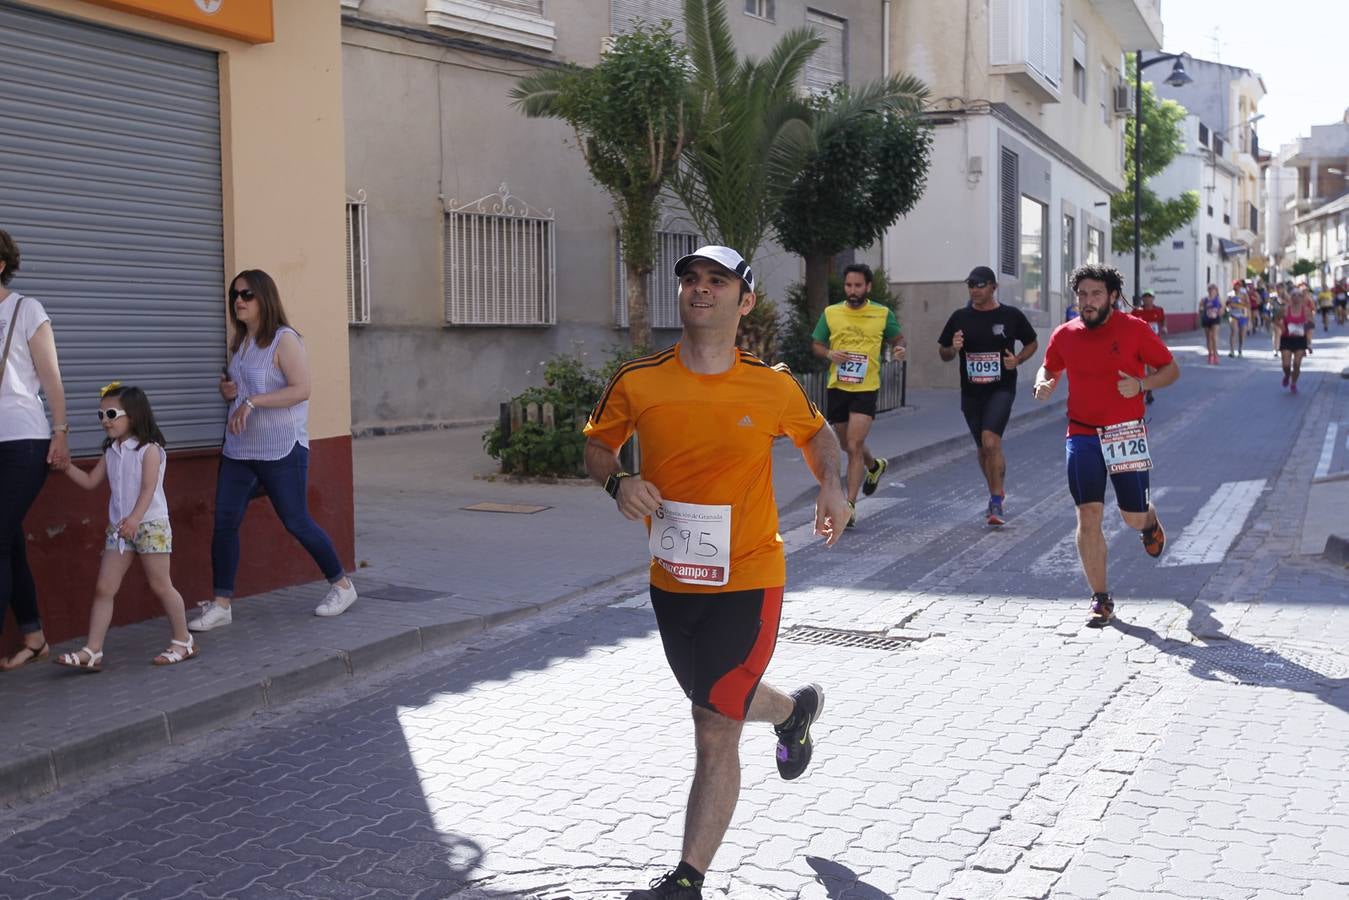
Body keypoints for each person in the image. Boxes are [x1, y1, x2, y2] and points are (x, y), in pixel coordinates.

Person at [584, 245, 849, 900]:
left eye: (716, 280)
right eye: (691, 280)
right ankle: (790, 712)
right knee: (712, 700)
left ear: (745, 300)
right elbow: (596, 444)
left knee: (712, 726)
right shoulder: (639, 379)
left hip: (750, 578)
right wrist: (617, 481)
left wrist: (832, 486)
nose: (699, 290)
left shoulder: (770, 385)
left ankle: (686, 880)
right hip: (672, 582)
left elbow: (819, 438)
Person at [189, 270, 356, 631]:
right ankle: (221, 604)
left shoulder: (285, 340)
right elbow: (241, 389)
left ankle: (342, 586)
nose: (239, 301)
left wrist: (252, 401)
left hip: (281, 449)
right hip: (239, 450)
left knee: (296, 521)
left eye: (247, 294)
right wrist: (231, 393)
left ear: (265, 297)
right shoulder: (241, 342)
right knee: (225, 522)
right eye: (235, 295)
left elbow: (302, 389)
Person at [1033, 264, 1179, 628]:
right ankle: (1101, 598)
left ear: (1112, 296)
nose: (1088, 301)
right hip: (1082, 433)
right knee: (1088, 514)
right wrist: (1044, 383)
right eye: (1082, 294)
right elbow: (1048, 367)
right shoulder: (1064, 334)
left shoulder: (1135, 330)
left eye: (1096, 294)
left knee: (1130, 516)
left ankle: (1148, 523)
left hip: (1125, 433)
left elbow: (1170, 369)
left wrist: (1142, 385)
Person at [52, 384, 195, 671]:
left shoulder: (150, 450)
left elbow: (148, 488)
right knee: (105, 587)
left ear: (135, 415)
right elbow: (92, 482)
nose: (105, 420)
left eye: (112, 413)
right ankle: (93, 650)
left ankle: (183, 641)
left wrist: (133, 519)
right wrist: (67, 467)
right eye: (101, 414)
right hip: (120, 529)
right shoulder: (111, 451)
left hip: (149, 525)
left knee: (161, 585)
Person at [0, 229, 70, 672]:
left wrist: (60, 431)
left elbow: (50, 376)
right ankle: (34, 636)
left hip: (24, 441)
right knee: (7, 541)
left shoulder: (27, 310)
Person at [936, 266, 1038, 525]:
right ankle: (996, 490)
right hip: (971, 392)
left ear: (994, 287)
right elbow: (944, 353)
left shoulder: (1010, 315)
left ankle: (995, 502)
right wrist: (953, 347)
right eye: (970, 285)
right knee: (983, 449)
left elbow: (1032, 342)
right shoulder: (960, 317)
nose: (974, 290)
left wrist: (1018, 359)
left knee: (991, 442)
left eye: (979, 285)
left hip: (1001, 389)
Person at [810, 264, 904, 528]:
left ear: (868, 287)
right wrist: (829, 354)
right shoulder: (831, 313)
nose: (852, 291)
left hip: (866, 388)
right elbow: (816, 344)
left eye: (858, 286)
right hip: (838, 386)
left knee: (853, 446)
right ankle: (874, 466)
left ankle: (849, 506)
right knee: (845, 443)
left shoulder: (882, 314)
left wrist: (899, 350)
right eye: (849, 286)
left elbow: (899, 339)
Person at [1276, 287, 1316, 395]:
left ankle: (1293, 383)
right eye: (1294, 295)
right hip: (1287, 339)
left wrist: (1308, 339)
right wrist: (1282, 326)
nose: (1296, 298)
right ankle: (1287, 375)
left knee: (1297, 364)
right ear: (1290, 297)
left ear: (1302, 298)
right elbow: (1276, 320)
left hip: (1300, 339)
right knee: (1286, 365)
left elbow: (1311, 324)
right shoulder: (1285, 309)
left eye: (1299, 295)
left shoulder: (1306, 310)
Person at [1130, 290, 1167, 405]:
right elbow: (1129, 324)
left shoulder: (1158, 310)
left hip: (1152, 345)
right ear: (1142, 299)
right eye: (1145, 297)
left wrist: (1164, 327)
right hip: (1138, 344)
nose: (1147, 299)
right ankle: (1140, 390)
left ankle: (1149, 391)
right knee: (1138, 369)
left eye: (1149, 296)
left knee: (1151, 369)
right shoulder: (1136, 311)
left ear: (1153, 298)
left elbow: (1162, 320)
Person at [1199, 284, 1224, 365]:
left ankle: (1216, 355)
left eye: (1213, 290)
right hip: (1206, 319)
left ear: (1216, 291)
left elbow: (1222, 308)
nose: (1211, 291)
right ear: (1208, 291)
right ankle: (1210, 354)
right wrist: (1202, 310)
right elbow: (1200, 309)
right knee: (1208, 337)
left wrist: (1220, 312)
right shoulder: (1204, 299)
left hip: (1215, 319)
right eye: (1210, 290)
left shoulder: (1218, 299)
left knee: (1214, 336)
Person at [1225, 280, 1248, 357]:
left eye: (1238, 285)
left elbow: (1248, 304)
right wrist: (1229, 308)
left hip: (1242, 315)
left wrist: (1240, 304)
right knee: (1233, 331)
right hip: (1233, 314)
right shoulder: (1230, 294)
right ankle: (1232, 351)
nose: (1237, 287)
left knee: (1242, 334)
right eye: (1235, 285)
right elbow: (1227, 304)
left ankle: (1240, 350)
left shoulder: (1244, 294)